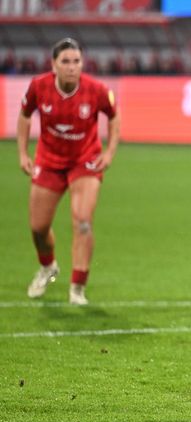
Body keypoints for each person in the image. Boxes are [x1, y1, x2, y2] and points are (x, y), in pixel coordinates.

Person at [17, 38, 120, 305]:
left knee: (83, 220)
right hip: (48, 161)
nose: (72, 67)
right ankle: (48, 266)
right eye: (65, 61)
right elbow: (25, 115)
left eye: (76, 61)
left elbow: (113, 115)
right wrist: (22, 153)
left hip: (84, 161)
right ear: (54, 65)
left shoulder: (96, 90)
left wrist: (108, 152)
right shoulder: (39, 87)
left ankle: (77, 287)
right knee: (38, 227)